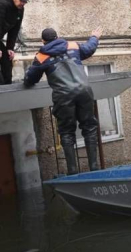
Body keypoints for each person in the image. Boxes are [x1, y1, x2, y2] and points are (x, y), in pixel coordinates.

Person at [24, 27, 102, 174]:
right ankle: (94, 169)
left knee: (66, 132)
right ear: (58, 37)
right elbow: (90, 48)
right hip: (84, 91)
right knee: (89, 127)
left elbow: (30, 79)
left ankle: (72, 172)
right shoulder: (72, 46)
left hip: (64, 96)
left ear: (43, 41)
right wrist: (94, 37)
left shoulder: (42, 56)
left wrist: (29, 76)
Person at [0, 0, 28, 84]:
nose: (23, 3)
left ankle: (7, 87)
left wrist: (10, 48)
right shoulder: (2, 4)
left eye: (25, 2)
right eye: (21, 1)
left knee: (7, 59)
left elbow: (14, 30)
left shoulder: (20, 9)